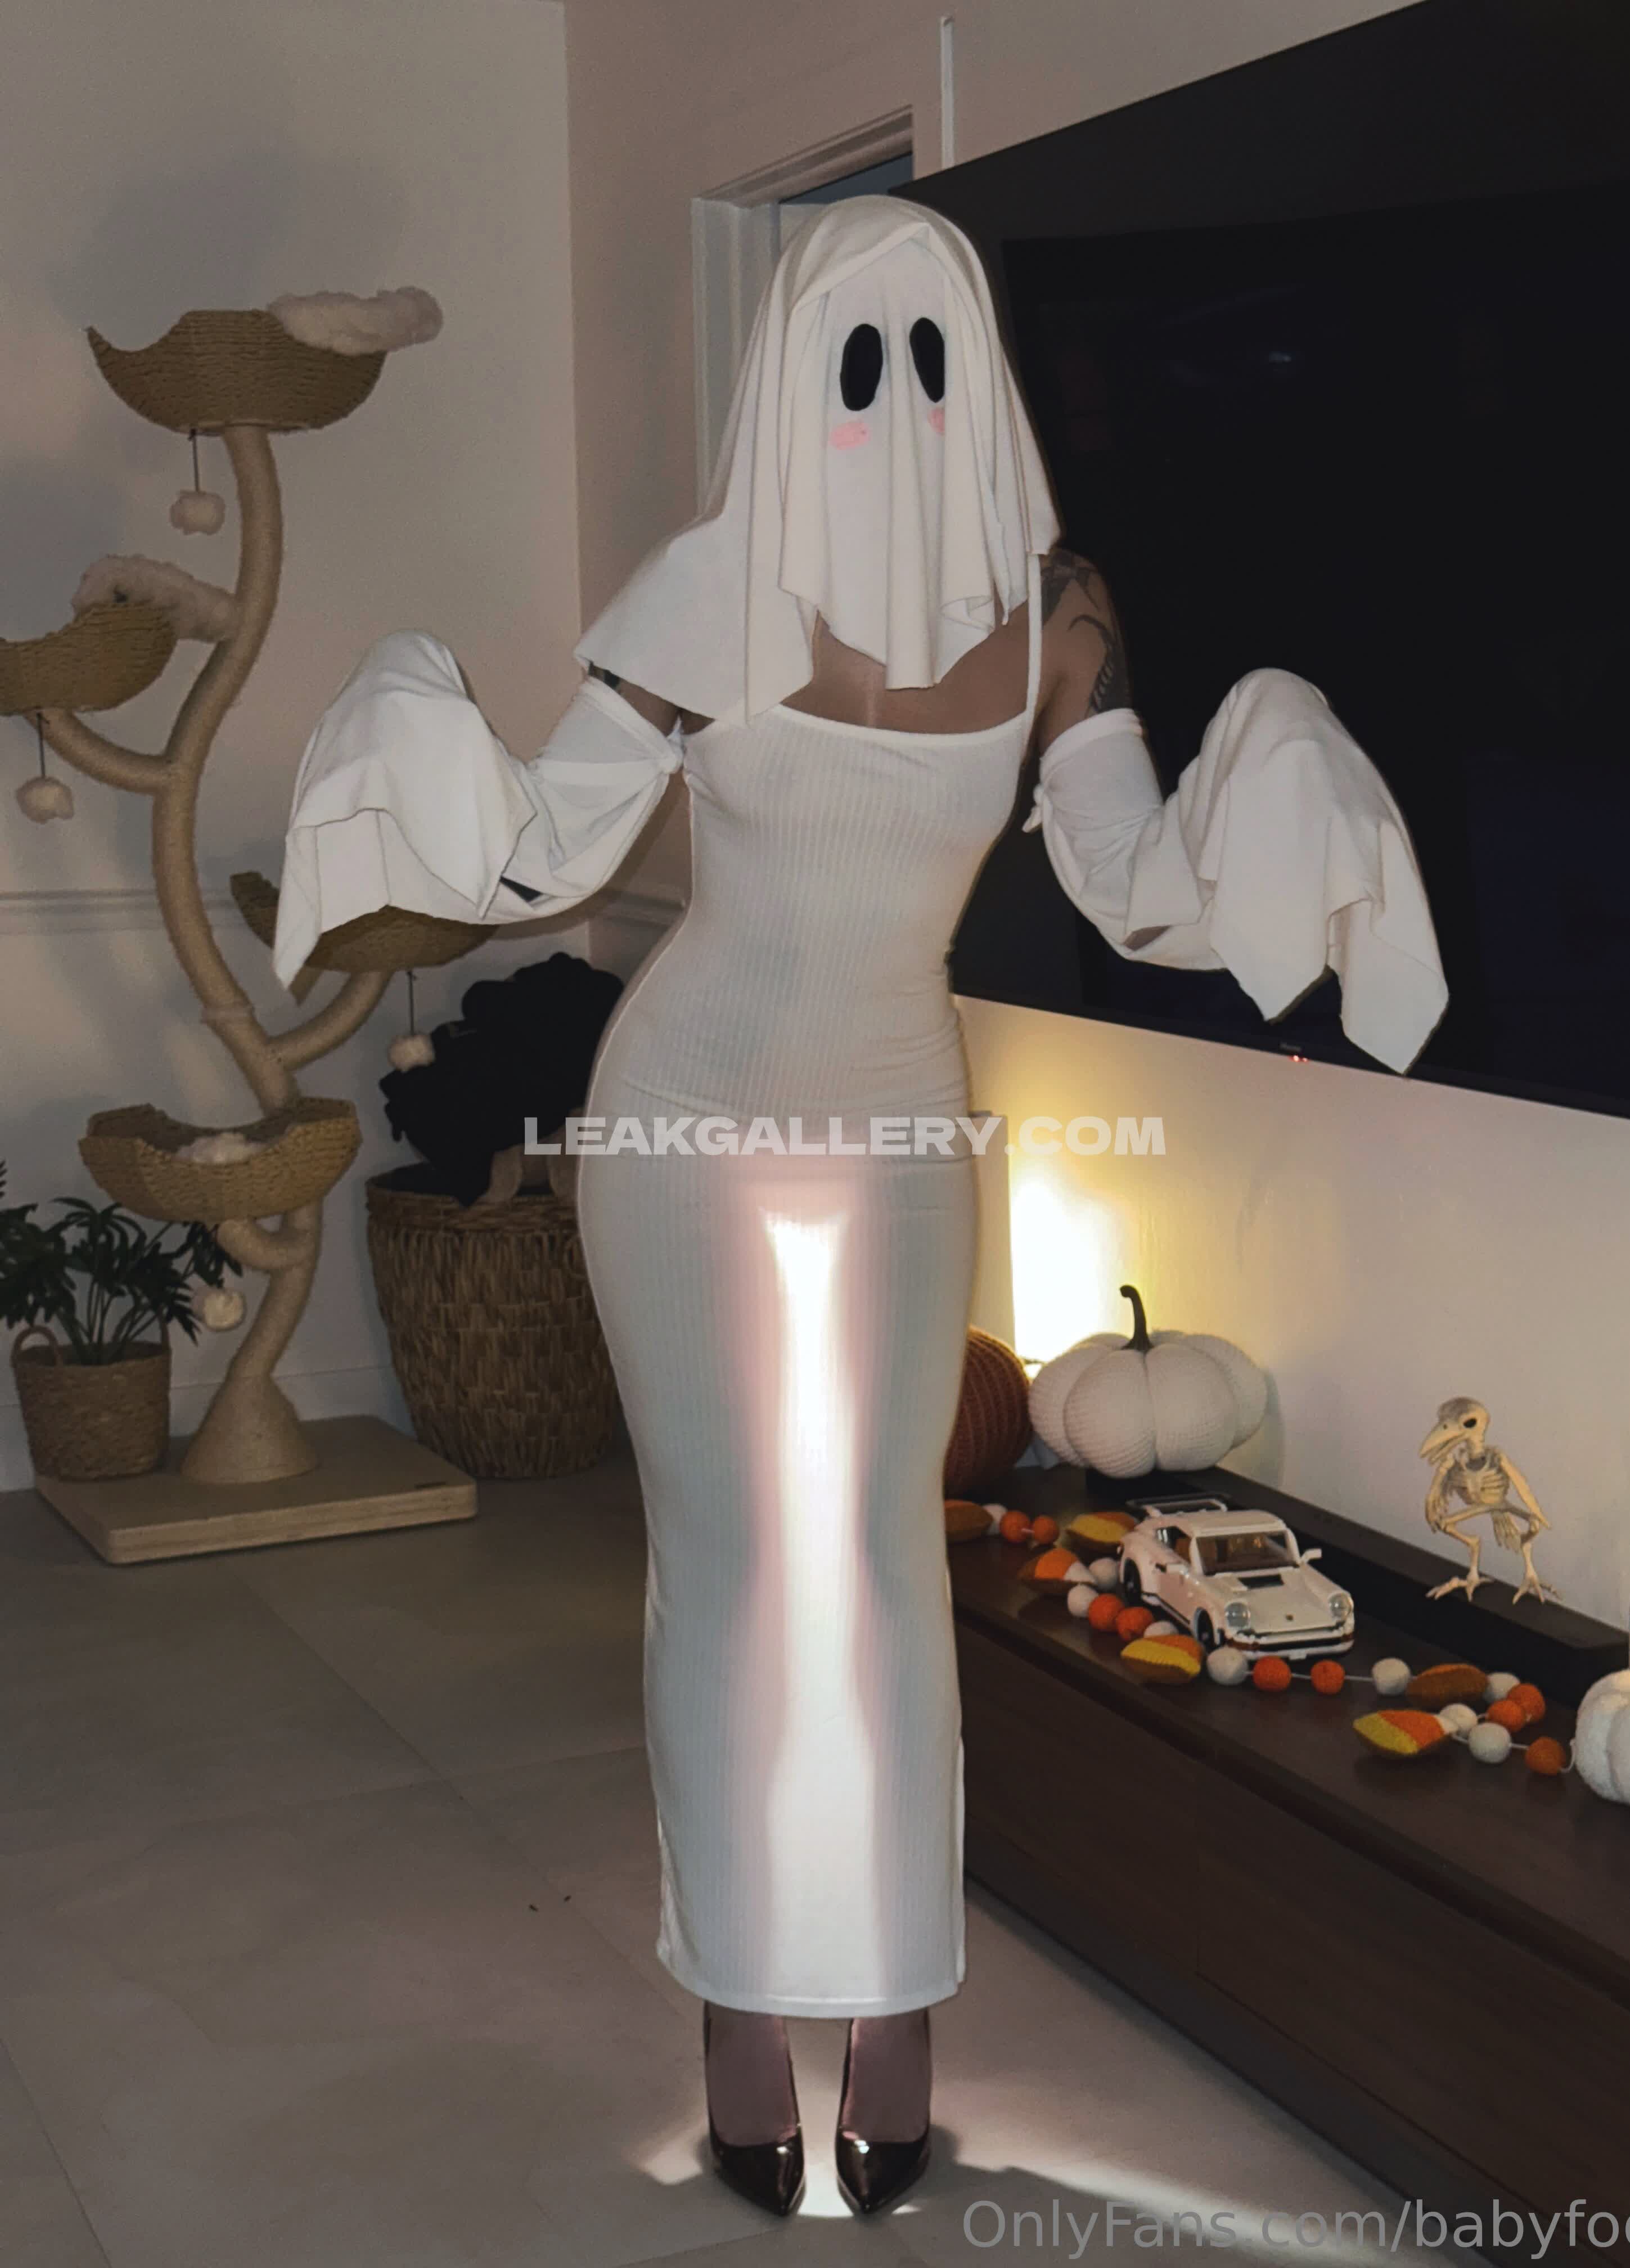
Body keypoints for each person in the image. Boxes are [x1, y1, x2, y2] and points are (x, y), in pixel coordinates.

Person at [275, 195, 1444, 2221]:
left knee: (883, 1566)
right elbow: (553, 851)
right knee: (735, 1568)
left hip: (901, 1112)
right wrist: (419, 730)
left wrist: (1274, 775)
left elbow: (1131, 889)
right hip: (690, 1110)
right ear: (784, 366)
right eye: (850, 353)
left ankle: (890, 2013)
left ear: (977, 369)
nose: (889, 393)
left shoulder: (1053, 615)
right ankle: (745, 2012)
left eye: (926, 351)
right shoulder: (708, 590)